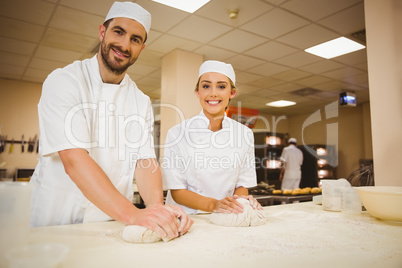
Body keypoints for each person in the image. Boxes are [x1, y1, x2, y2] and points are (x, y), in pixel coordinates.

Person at [29, 1, 192, 240]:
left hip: (109, 222)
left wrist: (157, 209)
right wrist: (133, 214)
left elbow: (145, 161)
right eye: (119, 32)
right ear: (102, 32)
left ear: (141, 48)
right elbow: (74, 160)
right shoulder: (64, 81)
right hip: (56, 222)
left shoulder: (140, 100)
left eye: (135, 39)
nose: (125, 45)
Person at [162, 60, 262, 215]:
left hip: (225, 218)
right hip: (186, 218)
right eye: (206, 86)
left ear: (232, 93)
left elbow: (242, 184)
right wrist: (215, 205)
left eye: (221, 86)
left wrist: (241, 204)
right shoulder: (177, 133)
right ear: (198, 92)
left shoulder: (244, 134)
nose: (213, 93)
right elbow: (177, 191)